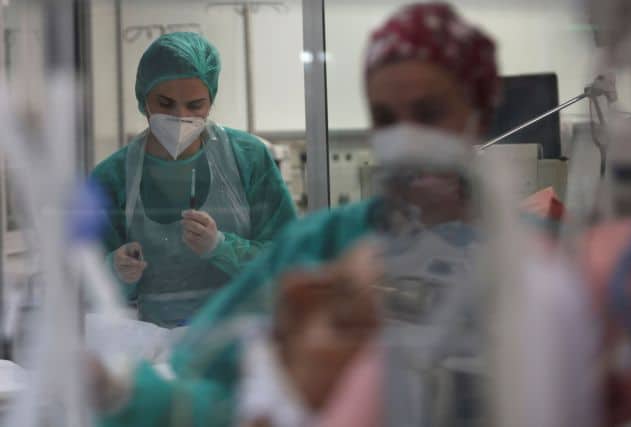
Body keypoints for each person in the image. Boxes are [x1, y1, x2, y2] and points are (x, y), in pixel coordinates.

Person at [94, 3, 499, 426]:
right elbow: (214, 384)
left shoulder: (535, 256)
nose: (407, 134)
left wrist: (222, 247)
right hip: (161, 342)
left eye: (429, 112)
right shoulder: (329, 239)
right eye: (384, 116)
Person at [91, 32, 296, 328]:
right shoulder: (113, 177)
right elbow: (92, 283)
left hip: (242, 337)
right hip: (158, 344)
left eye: (195, 105)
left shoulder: (248, 157)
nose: (180, 116)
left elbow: (287, 259)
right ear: (142, 99)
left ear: (210, 102)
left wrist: (223, 248)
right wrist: (117, 271)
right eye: (165, 103)